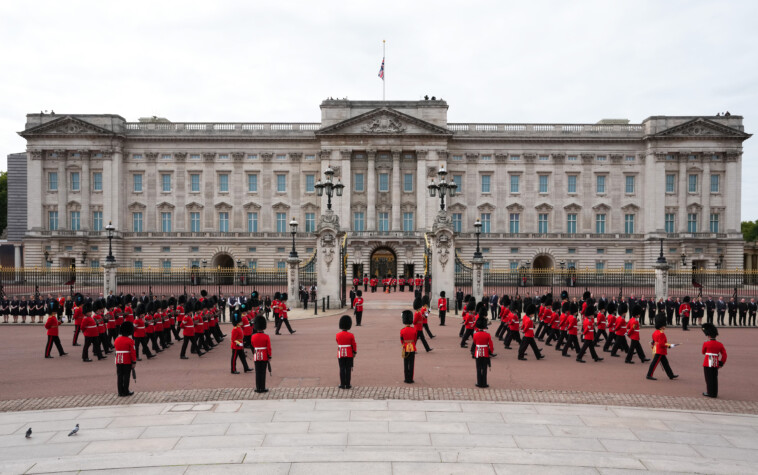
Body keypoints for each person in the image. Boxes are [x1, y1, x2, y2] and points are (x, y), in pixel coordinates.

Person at [646, 315, 679, 381]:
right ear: (661, 326)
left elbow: (654, 341)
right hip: (660, 350)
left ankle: (671, 375)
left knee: (665, 364)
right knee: (654, 363)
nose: (665, 326)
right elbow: (662, 344)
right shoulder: (661, 333)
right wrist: (669, 346)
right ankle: (649, 375)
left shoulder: (655, 332)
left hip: (658, 349)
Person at [701, 323, 727, 398]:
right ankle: (714, 393)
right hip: (715, 362)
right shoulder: (720, 344)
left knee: (708, 378)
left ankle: (710, 392)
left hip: (707, 362)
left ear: (709, 336)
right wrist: (721, 362)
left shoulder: (706, 343)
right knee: (714, 378)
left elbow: (703, 352)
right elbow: (724, 355)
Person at [471, 312, 495, 388]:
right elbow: (491, 345)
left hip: (478, 352)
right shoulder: (487, 335)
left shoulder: (475, 335)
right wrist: (491, 351)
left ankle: (479, 382)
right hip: (485, 353)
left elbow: (474, 343)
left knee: (478, 368)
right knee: (484, 369)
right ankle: (484, 383)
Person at [114, 321, 137, 397]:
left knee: (119, 376)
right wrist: (134, 362)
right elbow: (133, 352)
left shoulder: (117, 339)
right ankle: (126, 391)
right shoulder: (130, 341)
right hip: (127, 360)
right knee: (126, 376)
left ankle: (120, 392)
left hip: (118, 360)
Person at [251, 316, 271, 393]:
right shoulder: (266, 337)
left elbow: (252, 345)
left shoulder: (253, 336)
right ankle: (262, 388)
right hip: (264, 356)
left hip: (256, 356)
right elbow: (268, 348)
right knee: (263, 373)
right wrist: (269, 356)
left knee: (257, 372)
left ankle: (258, 388)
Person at [336, 315, 357, 389]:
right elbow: (354, 344)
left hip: (340, 354)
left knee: (342, 368)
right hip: (349, 353)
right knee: (348, 369)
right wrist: (354, 352)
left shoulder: (337, 335)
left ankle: (342, 384)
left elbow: (338, 342)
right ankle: (348, 384)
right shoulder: (351, 335)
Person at [400, 310, 417, 383]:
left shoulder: (402, 330)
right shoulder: (414, 330)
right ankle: (411, 378)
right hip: (412, 347)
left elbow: (402, 340)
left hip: (405, 347)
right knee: (412, 364)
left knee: (406, 363)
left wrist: (404, 345)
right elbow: (415, 339)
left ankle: (406, 378)